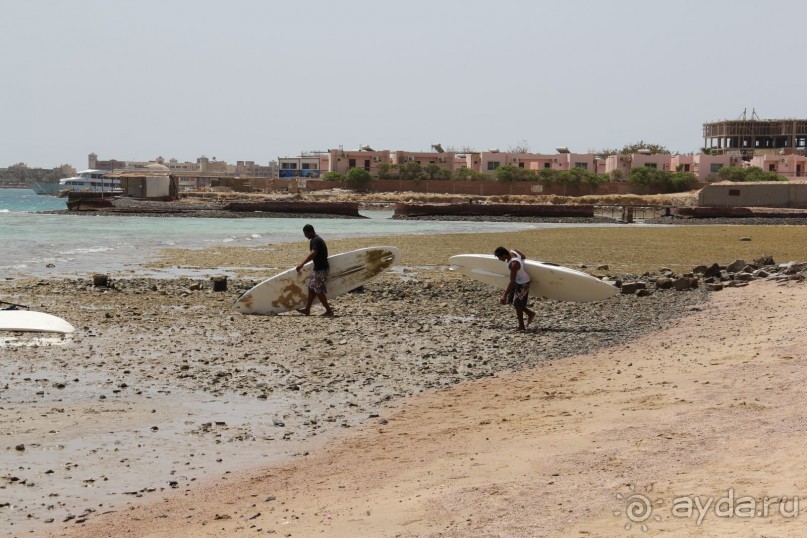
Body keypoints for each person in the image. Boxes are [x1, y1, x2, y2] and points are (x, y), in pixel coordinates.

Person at [494, 246, 536, 331]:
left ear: (504, 255)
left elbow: (512, 281)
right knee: (511, 300)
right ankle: (530, 313)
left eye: (499, 257)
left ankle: (521, 326)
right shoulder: (513, 251)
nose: (499, 259)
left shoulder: (513, 264)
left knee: (517, 304)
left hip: (523, 283)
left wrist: (504, 295)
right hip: (518, 281)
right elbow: (523, 256)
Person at [296, 224, 334, 316]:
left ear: (310, 232)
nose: (305, 236)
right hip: (318, 269)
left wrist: (302, 264)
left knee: (318, 290)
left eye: (305, 233)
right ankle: (307, 309)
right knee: (311, 287)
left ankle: (329, 311)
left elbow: (313, 253)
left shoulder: (316, 240)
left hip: (321, 269)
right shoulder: (316, 239)